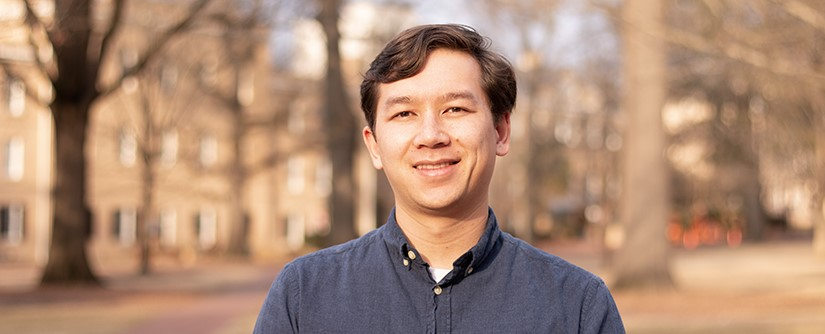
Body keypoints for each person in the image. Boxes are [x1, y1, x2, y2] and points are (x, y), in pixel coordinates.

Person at [254, 24, 625, 333]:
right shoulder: (303, 297)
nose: (431, 135)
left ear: (500, 130)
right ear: (375, 146)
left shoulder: (577, 306)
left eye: (455, 108)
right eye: (404, 114)